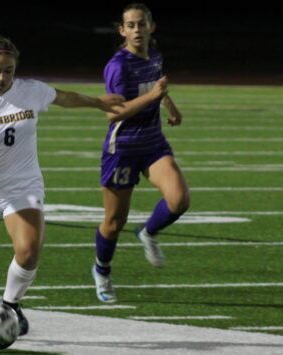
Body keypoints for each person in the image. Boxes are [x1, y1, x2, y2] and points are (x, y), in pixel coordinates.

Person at [0, 33, 125, 340]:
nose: (2, 76)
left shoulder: (30, 91)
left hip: (23, 185)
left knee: (29, 251)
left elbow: (65, 97)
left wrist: (98, 103)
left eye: (8, 70)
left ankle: (10, 306)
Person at [92, 3, 190, 303]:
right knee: (113, 222)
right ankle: (102, 271)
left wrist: (169, 106)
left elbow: (158, 86)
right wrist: (152, 96)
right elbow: (114, 113)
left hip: (153, 144)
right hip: (122, 149)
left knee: (179, 199)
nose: (137, 30)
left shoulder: (155, 56)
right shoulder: (118, 66)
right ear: (122, 31)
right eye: (131, 25)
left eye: (141, 24)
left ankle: (147, 232)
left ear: (151, 27)